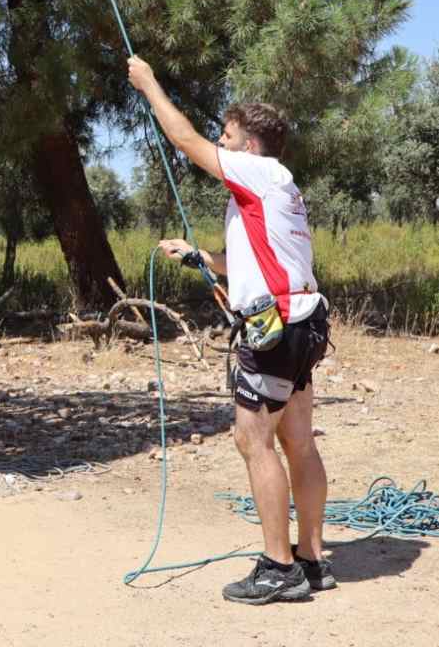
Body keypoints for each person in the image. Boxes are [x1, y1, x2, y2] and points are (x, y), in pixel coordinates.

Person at [127, 56, 333, 605]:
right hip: (304, 321)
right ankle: (311, 560)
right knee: (297, 441)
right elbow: (247, 262)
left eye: (228, 135)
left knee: (252, 440)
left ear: (248, 146)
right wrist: (200, 256)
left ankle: (278, 569)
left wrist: (149, 85)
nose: (220, 142)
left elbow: (185, 139)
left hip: (277, 329)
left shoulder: (259, 171)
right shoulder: (275, 191)